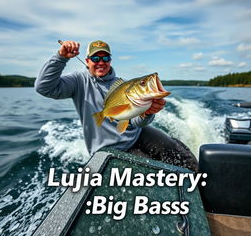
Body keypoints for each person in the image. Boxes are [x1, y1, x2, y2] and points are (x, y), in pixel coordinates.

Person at [35, 40, 198, 172]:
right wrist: (61, 57)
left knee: (176, 150)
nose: (101, 62)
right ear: (87, 61)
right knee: (151, 171)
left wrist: (147, 114)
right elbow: (43, 87)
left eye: (105, 58)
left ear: (110, 60)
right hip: (112, 148)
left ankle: (201, 193)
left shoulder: (122, 84)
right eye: (95, 58)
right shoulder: (78, 81)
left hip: (136, 134)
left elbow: (135, 122)